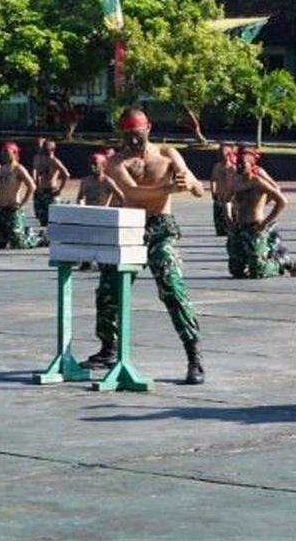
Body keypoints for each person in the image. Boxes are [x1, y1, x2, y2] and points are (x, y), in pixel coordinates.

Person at [80, 108, 207, 385]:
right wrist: (169, 189)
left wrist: (191, 184)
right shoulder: (117, 162)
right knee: (108, 290)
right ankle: (109, 348)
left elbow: (197, 186)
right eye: (127, 136)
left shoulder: (167, 154)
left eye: (137, 134)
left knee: (172, 287)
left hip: (161, 228)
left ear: (148, 128)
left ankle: (193, 355)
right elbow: (132, 192)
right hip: (130, 227)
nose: (133, 141)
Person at [226, 148, 292, 279]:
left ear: (251, 165)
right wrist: (228, 219)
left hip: (255, 226)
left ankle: (281, 262)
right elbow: (226, 200)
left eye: (242, 163)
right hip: (239, 227)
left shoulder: (258, 182)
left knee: (258, 271)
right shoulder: (236, 181)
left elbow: (282, 201)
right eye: (237, 162)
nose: (239, 165)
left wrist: (265, 222)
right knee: (235, 270)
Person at [0, 142, 45, 248]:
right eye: (3, 152)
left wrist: (22, 202)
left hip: (13, 209)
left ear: (14, 153)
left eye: (6, 152)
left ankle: (38, 239)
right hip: (2, 210)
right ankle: (25, 231)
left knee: (18, 243)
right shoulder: (2, 169)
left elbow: (32, 186)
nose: (3, 154)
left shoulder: (18, 168)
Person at [31, 139, 70, 226]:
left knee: (53, 220)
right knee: (42, 220)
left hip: (51, 192)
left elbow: (66, 174)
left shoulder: (55, 161)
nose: (44, 148)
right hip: (41, 192)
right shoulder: (40, 159)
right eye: (44, 146)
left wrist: (60, 189)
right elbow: (36, 173)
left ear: (52, 149)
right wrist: (37, 186)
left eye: (46, 147)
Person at [209, 143, 237, 236]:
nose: (221, 154)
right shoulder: (216, 167)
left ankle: (233, 230)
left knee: (232, 218)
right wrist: (213, 191)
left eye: (223, 152)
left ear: (229, 154)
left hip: (230, 198)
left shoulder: (233, 167)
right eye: (220, 152)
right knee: (220, 225)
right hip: (219, 197)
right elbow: (213, 179)